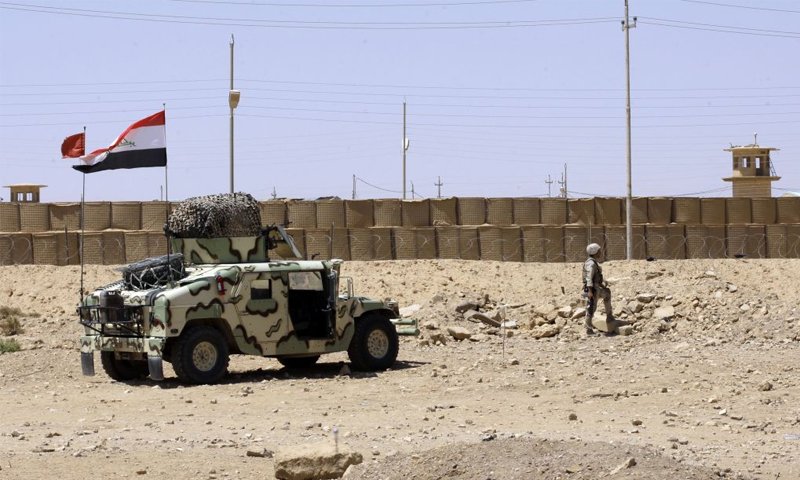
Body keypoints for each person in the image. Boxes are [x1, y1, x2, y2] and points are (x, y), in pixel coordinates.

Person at [583, 243, 614, 335]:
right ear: (595, 252)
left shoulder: (594, 262)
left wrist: (602, 283)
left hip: (596, 287)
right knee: (591, 308)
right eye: (599, 251)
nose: (600, 252)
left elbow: (596, 276)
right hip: (592, 289)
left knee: (607, 294)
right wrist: (590, 291)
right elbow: (589, 277)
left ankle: (609, 317)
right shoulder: (591, 263)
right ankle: (588, 329)